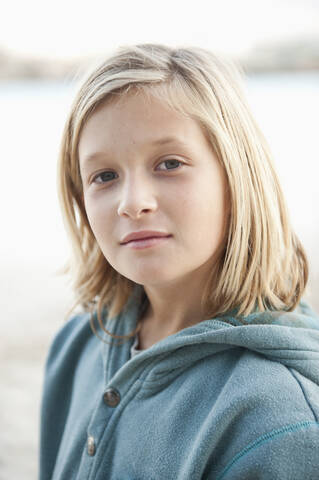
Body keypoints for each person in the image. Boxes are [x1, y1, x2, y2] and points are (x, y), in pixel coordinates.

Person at [39, 43, 319, 479]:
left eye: (169, 163)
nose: (132, 203)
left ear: (237, 176)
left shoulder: (278, 422)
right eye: (105, 176)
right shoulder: (76, 345)